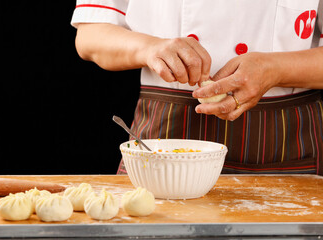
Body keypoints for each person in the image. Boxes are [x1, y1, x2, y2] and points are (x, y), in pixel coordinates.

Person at [71, 1, 323, 175]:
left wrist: (276, 69)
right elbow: (90, 35)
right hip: (166, 133)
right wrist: (150, 48)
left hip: (282, 140)